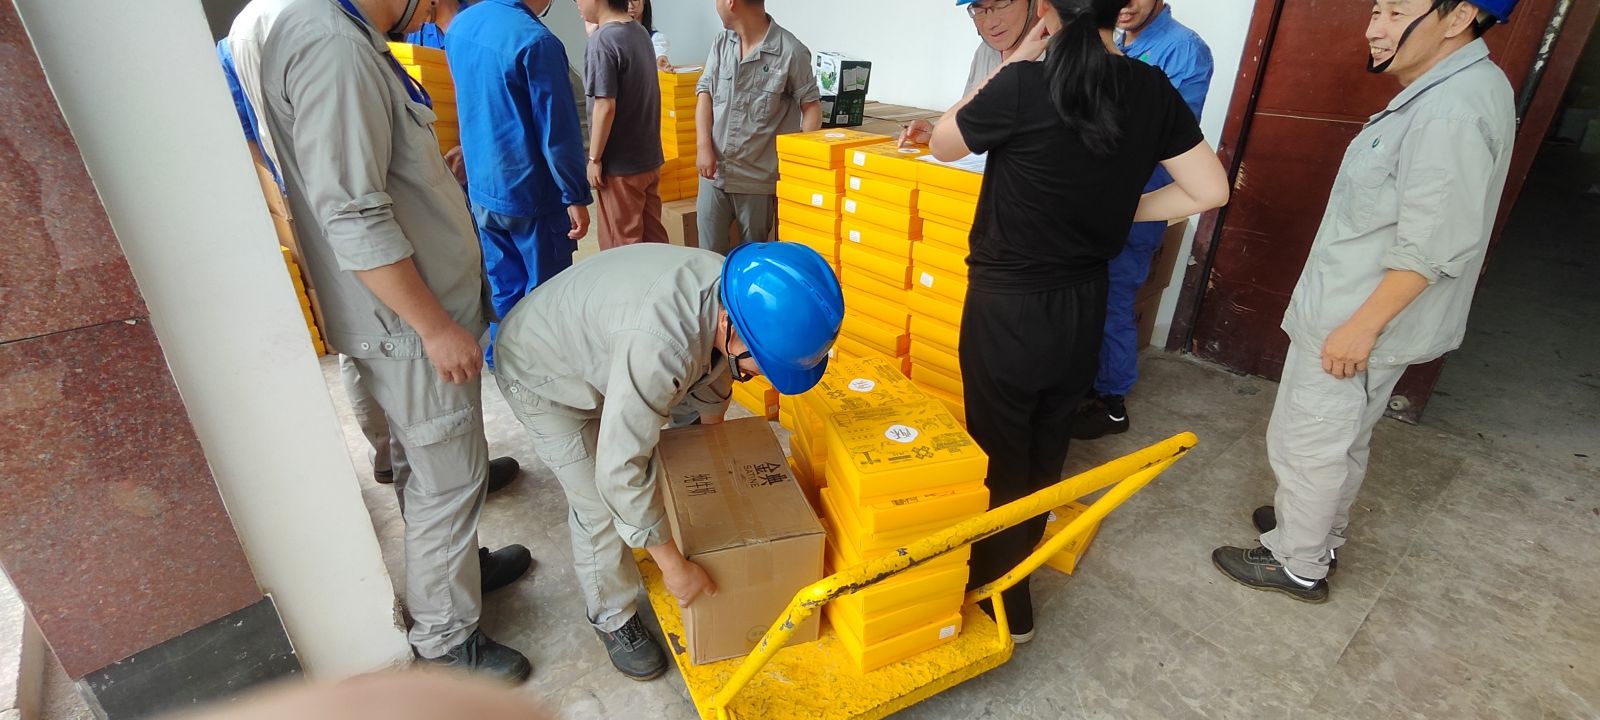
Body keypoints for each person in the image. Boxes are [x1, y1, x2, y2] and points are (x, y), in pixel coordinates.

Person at [928, 0, 1229, 641]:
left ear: (1045, 8)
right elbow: (1210, 190)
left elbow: (942, 142)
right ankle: (1017, 581)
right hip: (1085, 301)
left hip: (1009, 308)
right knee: (1047, 449)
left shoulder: (1023, 83)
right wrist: (1119, 211)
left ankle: (1001, 596)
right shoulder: (1151, 87)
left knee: (1000, 456)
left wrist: (1016, 57)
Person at [258, 0, 535, 681]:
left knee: (426, 460)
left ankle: (456, 573)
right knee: (450, 476)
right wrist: (435, 327)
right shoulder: (332, 45)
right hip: (410, 324)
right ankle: (447, 637)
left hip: (403, 314)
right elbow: (353, 215)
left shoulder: (341, 33)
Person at [1212, 0, 1518, 603]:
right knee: (1339, 438)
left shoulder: (1449, 111)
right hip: (1363, 311)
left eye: (1395, 12)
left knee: (1309, 443)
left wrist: (1361, 327)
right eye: (1376, 10)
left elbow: (1432, 246)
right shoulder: (1453, 90)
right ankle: (1314, 529)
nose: (1374, 29)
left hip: (1358, 319)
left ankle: (1296, 562)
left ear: (1459, 16)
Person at [492, 242, 843, 680]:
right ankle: (613, 617)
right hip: (539, 370)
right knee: (599, 505)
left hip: (602, 341)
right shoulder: (660, 347)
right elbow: (619, 471)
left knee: (655, 452)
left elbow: (716, 366)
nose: (763, 376)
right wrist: (675, 570)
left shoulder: (733, 293)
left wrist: (715, 450)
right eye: (763, 364)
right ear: (729, 324)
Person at [1073, 0, 1214, 439]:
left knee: (1112, 300)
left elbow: (1165, 135)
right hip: (1098, 196)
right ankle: (1084, 383)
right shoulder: (1117, 40)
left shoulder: (1183, 49)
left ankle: (1112, 401)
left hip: (1139, 199)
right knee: (1085, 296)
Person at [446, 0, 592, 364]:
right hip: (532, 193)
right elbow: (557, 133)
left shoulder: (462, 25)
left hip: (483, 187)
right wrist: (575, 194)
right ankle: (541, 372)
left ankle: (504, 362)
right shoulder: (536, 42)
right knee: (545, 296)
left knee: (504, 286)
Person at [695, 0, 823, 254]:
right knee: (707, 259)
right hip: (714, 174)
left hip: (757, 182)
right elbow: (705, 93)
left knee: (754, 260)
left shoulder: (790, 51)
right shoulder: (722, 43)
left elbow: (811, 107)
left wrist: (797, 167)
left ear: (731, 2)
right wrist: (703, 146)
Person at [579, 0, 669, 250]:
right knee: (654, 241)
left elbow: (605, 106)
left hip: (620, 166)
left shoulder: (603, 41)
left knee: (622, 249)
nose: (576, 4)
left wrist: (594, 159)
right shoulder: (639, 32)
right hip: (648, 158)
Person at [897, 0, 1041, 147]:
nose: (990, 23)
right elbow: (971, 117)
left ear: (1036, 4)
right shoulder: (986, 52)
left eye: (1002, 5)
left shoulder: (1054, 58)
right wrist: (937, 133)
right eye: (979, 10)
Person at [631, 0, 672, 69]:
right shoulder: (614, 36)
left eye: (635, 0)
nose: (630, 6)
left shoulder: (655, 38)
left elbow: (658, 52)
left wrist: (660, 58)